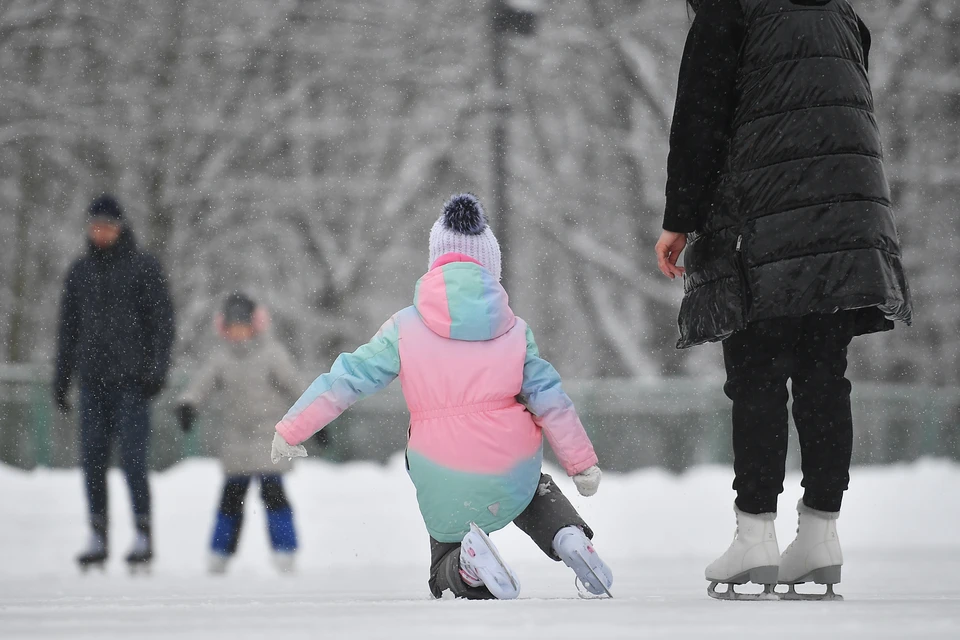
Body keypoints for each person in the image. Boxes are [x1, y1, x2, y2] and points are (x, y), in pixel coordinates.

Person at [655, 0, 912, 600]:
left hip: (766, 207)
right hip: (847, 213)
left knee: (758, 371)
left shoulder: (731, 9)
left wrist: (680, 220)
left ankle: (755, 534)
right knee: (826, 370)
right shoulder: (841, 11)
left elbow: (700, 114)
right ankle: (821, 532)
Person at [270, 194, 612, 600]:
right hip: (510, 461)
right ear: (492, 268)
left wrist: (292, 429)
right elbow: (551, 399)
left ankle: (465, 566)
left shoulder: (404, 327)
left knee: (445, 556)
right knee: (529, 489)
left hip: (441, 470)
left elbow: (349, 377)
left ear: (435, 262)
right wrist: (582, 463)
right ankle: (566, 534)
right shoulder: (516, 330)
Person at [54, 194, 176, 572]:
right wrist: (61, 376)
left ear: (120, 227)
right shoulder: (80, 272)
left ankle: (142, 533)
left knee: (133, 461)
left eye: (107, 225)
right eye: (95, 226)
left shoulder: (143, 268)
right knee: (92, 462)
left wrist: (156, 371)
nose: (100, 232)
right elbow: (68, 329)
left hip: (132, 383)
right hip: (92, 382)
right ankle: (98, 533)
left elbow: (163, 324)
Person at [176, 292, 305, 574]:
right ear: (224, 327)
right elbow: (202, 384)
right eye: (232, 326)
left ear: (255, 325)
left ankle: (285, 551)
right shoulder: (221, 358)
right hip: (236, 438)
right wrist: (188, 404)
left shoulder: (272, 354)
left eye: (242, 325)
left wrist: (315, 418)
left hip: (269, 437)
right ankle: (219, 553)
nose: (237, 332)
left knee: (274, 494)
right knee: (232, 498)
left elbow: (295, 386)